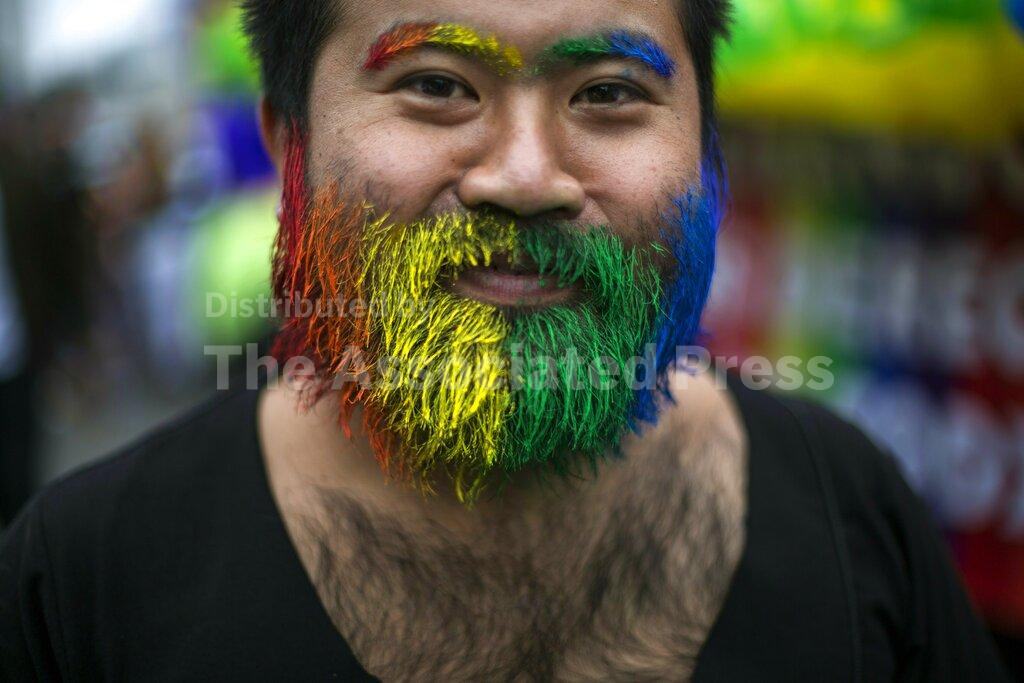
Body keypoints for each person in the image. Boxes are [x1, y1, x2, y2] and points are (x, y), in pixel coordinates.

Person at [0, 1, 1010, 680]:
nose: (525, 177)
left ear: (705, 152)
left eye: (609, 92)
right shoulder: (84, 578)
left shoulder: (853, 513)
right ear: (285, 144)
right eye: (436, 85)